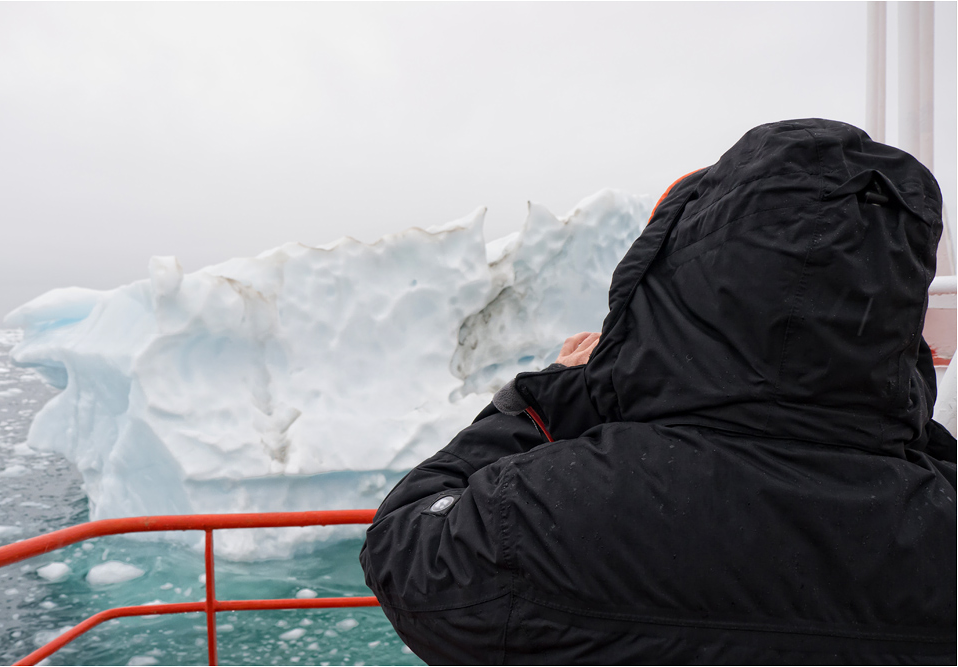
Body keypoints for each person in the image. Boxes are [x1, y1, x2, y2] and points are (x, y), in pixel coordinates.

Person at [359, 119, 957, 664]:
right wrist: (899, 406)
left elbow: (406, 545)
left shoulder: (548, 512)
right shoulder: (940, 525)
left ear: (674, 283)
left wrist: (570, 391)